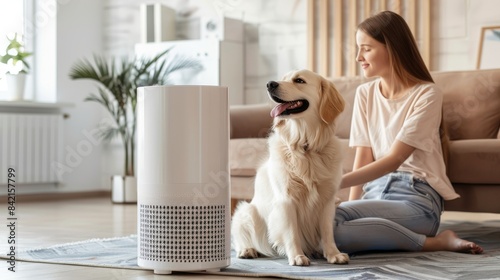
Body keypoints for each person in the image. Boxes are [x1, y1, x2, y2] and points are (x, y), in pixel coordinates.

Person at [335, 11, 483, 255]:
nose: (358, 57)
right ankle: (423, 241)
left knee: (329, 228)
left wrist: (332, 183)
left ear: (391, 48)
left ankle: (434, 240)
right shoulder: (365, 94)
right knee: (321, 226)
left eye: (366, 48)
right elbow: (363, 156)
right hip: (375, 194)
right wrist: (353, 205)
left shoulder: (427, 94)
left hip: (416, 199)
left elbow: (394, 159)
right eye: (358, 49)